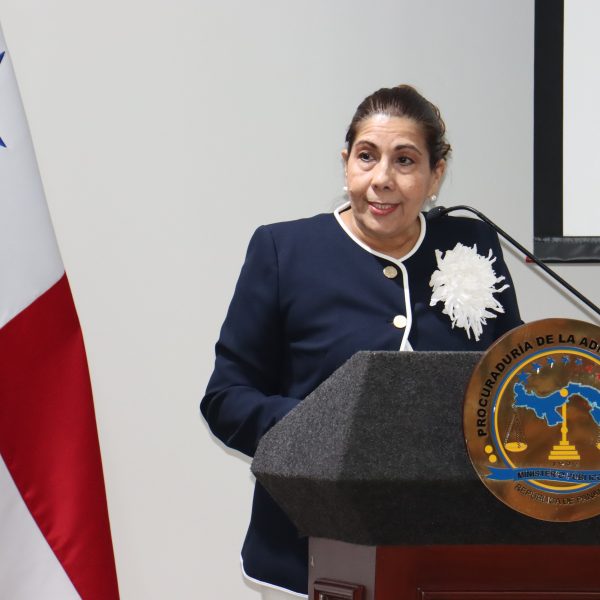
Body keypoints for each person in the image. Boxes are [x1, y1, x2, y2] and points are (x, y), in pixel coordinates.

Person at [201, 84, 522, 598]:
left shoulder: (471, 243)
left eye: (405, 160)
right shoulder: (284, 250)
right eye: (367, 156)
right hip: (305, 552)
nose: (382, 179)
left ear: (436, 175)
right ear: (346, 162)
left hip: (452, 551)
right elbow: (226, 399)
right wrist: (328, 433)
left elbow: (509, 384)